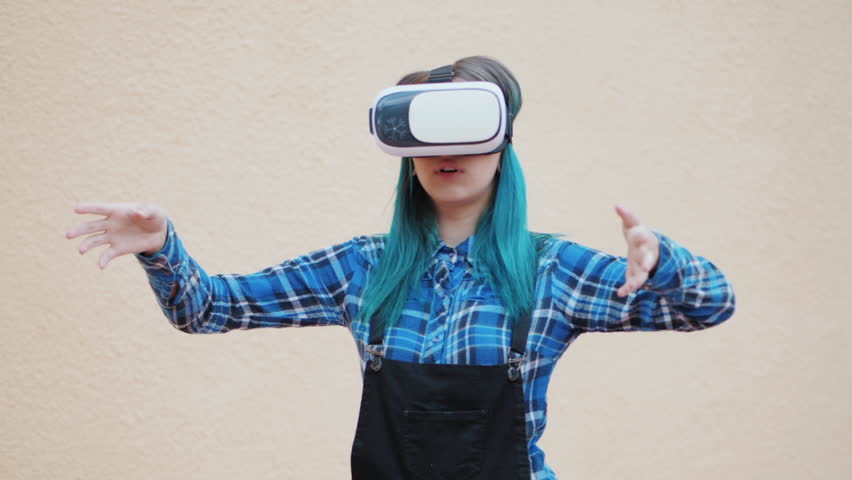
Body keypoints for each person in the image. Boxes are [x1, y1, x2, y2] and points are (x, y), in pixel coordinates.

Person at [65, 55, 736, 479]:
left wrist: (664, 260)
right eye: (429, 133)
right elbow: (207, 309)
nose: (449, 150)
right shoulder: (360, 268)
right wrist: (160, 247)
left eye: (468, 128)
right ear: (407, 149)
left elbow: (710, 304)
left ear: (504, 143)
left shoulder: (552, 271)